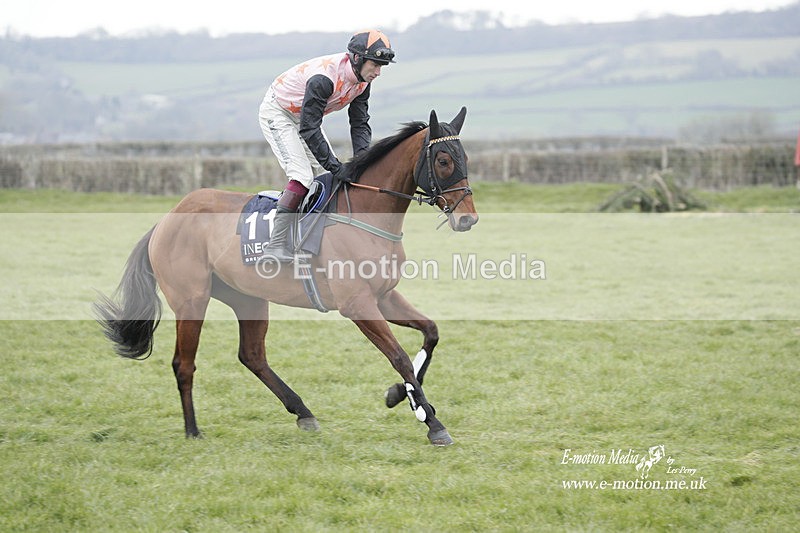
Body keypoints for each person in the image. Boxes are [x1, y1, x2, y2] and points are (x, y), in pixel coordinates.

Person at [258, 29, 395, 262]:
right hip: (279, 112)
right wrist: (336, 166)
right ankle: (276, 245)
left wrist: (362, 162)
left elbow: (360, 123)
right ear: (357, 58)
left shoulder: (363, 82)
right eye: (375, 65)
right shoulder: (324, 79)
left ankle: (316, 238)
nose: (378, 72)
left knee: (326, 178)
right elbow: (309, 128)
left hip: (305, 117)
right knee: (303, 176)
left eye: (382, 66)